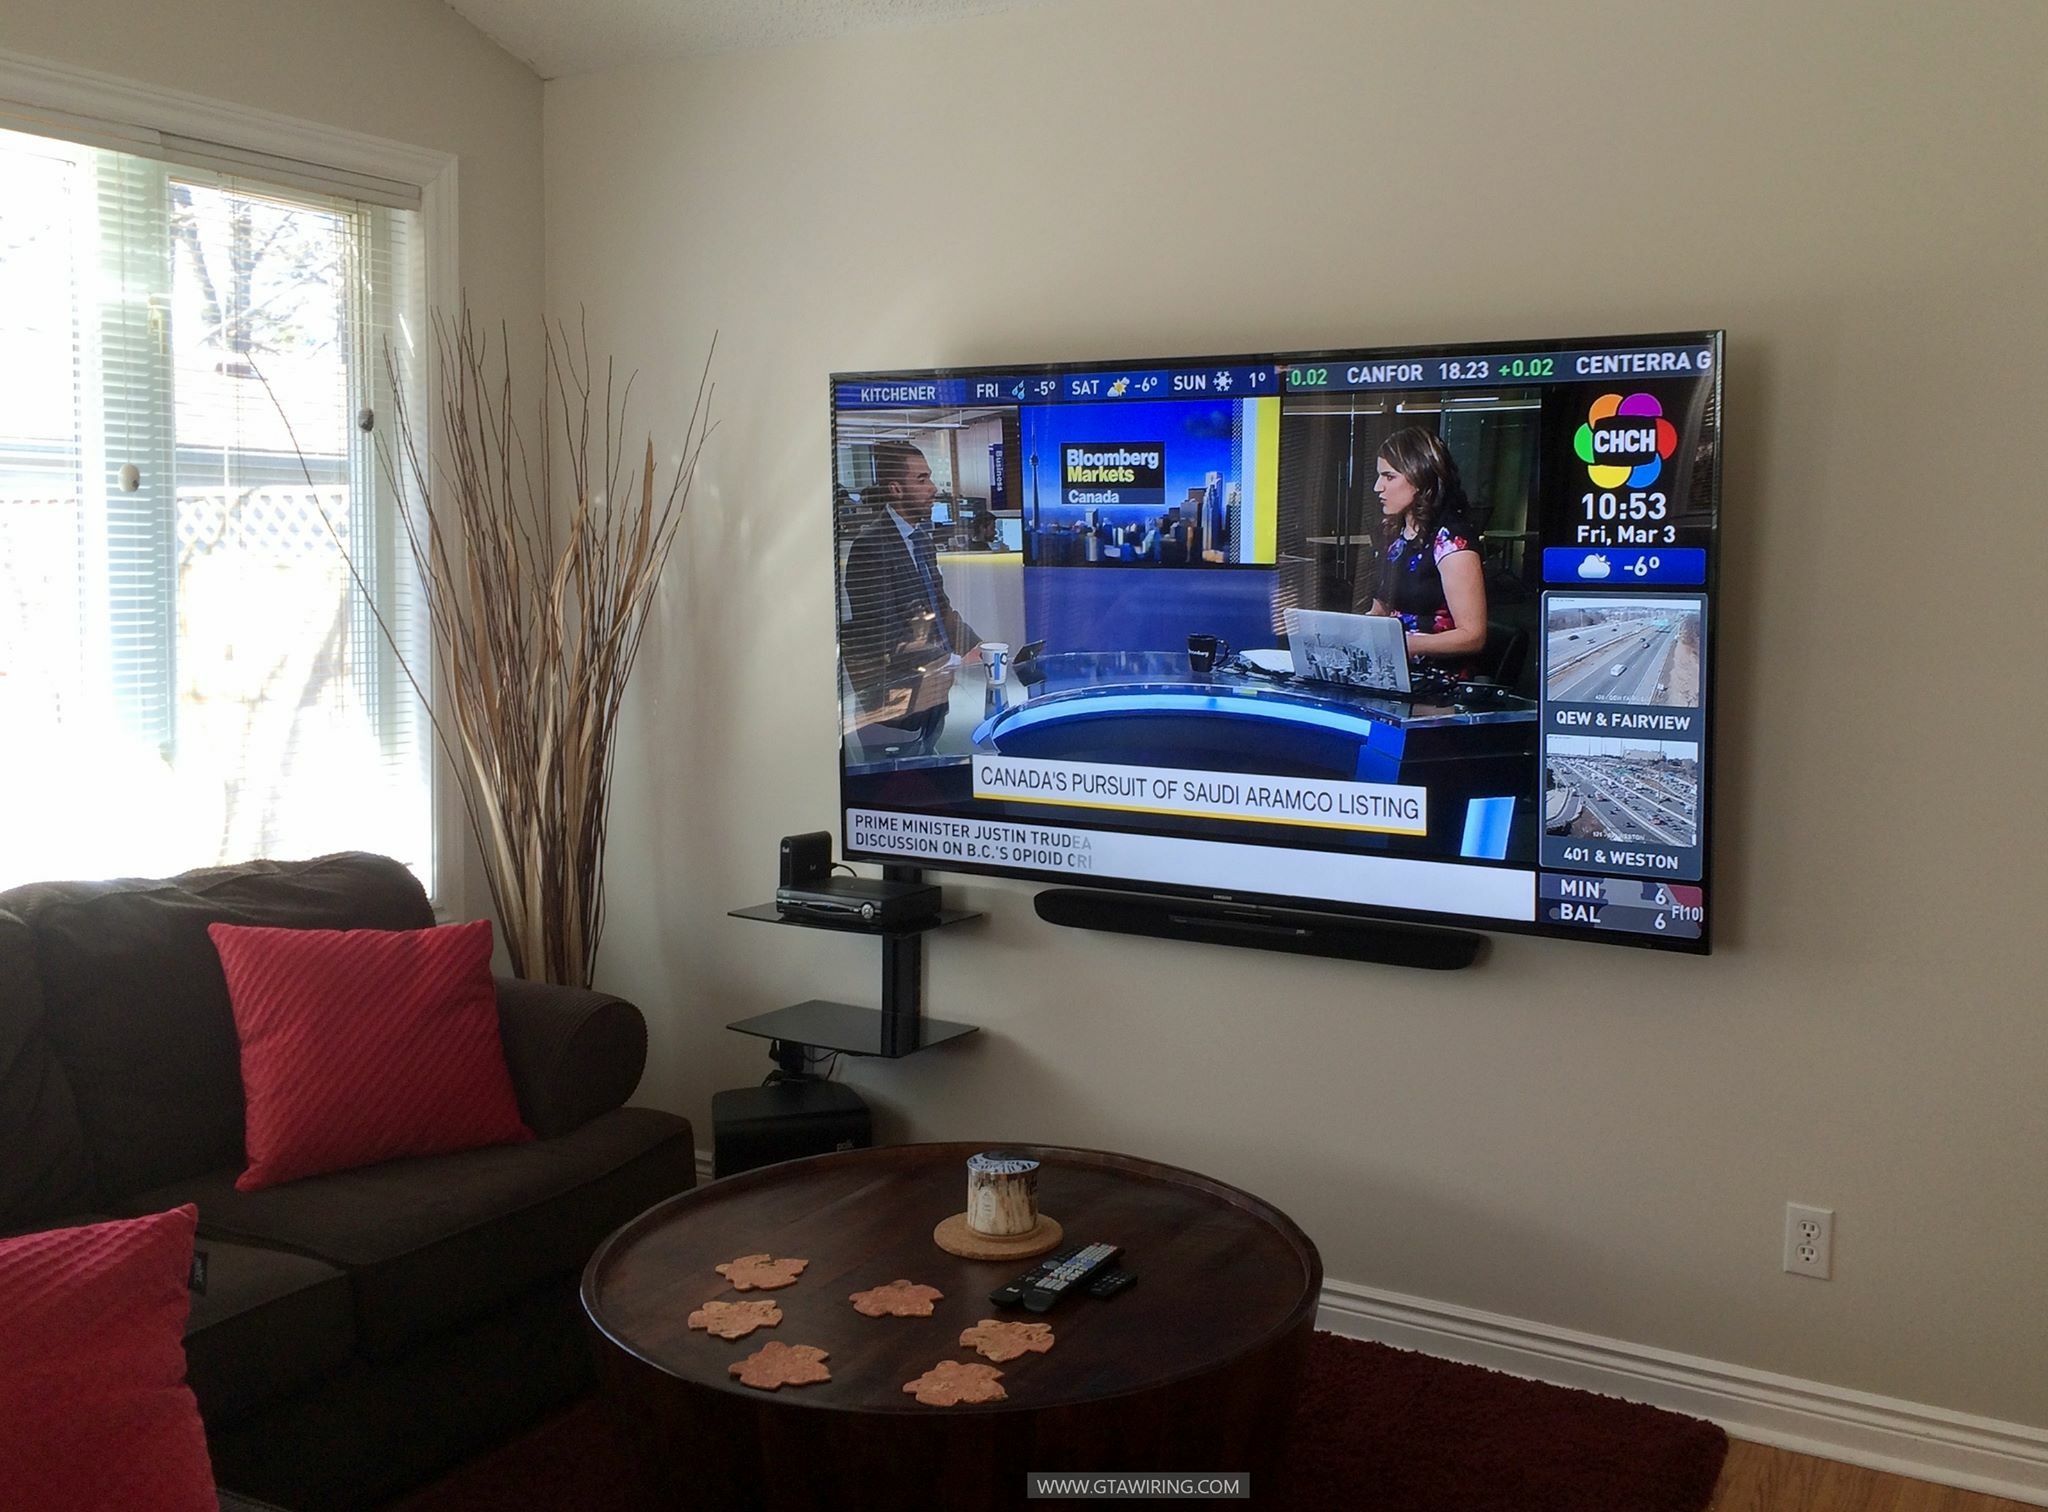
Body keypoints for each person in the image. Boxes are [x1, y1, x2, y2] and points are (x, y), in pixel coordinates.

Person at [841, 440, 981, 747]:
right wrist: (951, 658)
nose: (933, 488)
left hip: (931, 692)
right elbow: (884, 634)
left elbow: (940, 607)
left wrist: (977, 646)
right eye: (921, 480)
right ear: (896, 489)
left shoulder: (921, 541)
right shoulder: (870, 547)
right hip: (894, 705)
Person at [1367, 426, 1487, 663]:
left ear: (1420, 478)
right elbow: (1381, 609)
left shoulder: (1451, 541)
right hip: (1392, 664)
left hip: (1434, 673)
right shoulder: (1394, 536)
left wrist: (1402, 644)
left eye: (1389, 477)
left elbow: (1472, 636)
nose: (1377, 487)